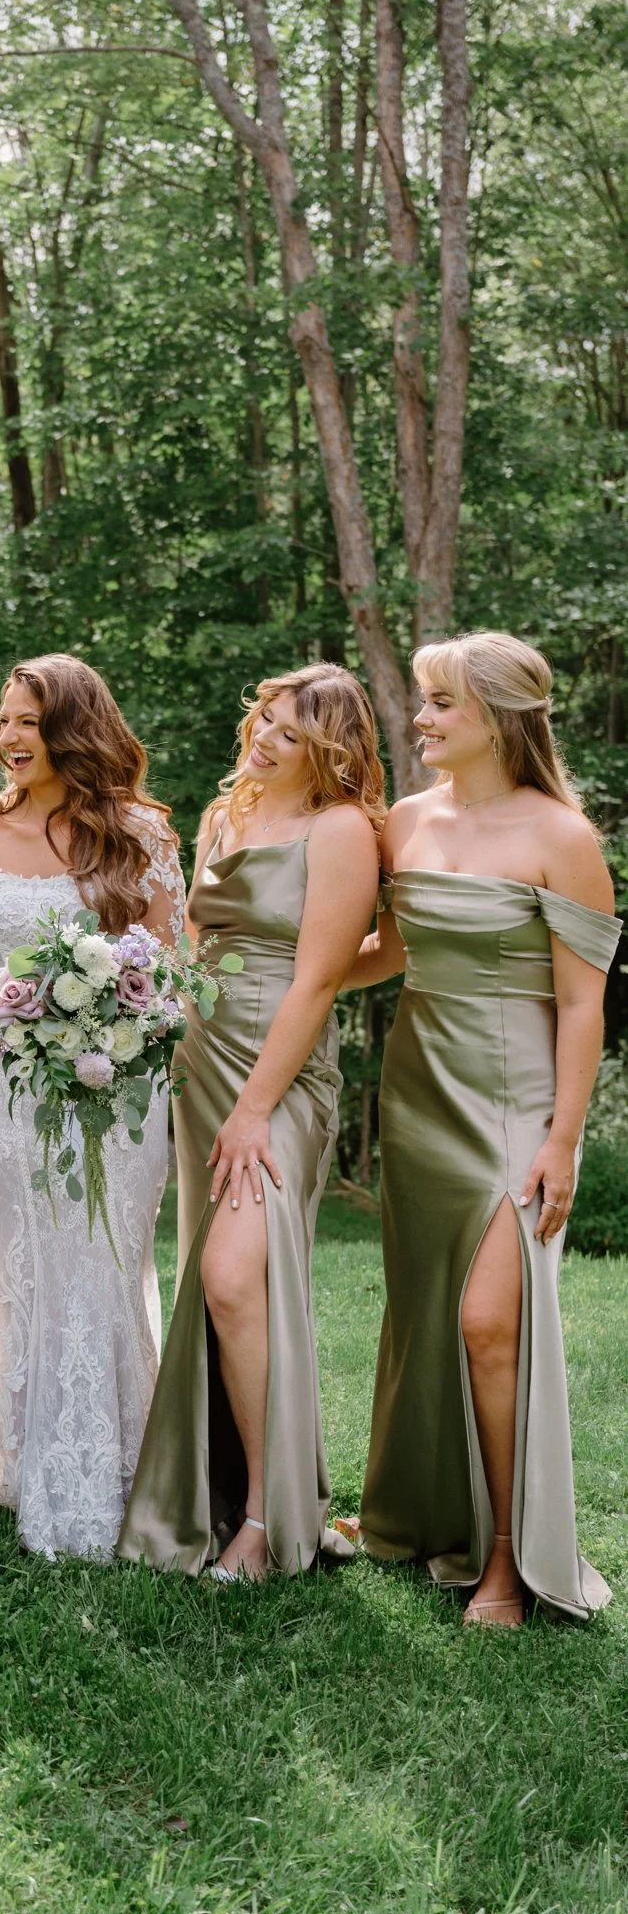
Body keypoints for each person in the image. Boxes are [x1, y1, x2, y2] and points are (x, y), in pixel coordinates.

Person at [347, 632, 619, 1625]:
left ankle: (506, 1560)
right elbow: (386, 948)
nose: (418, 719)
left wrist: (559, 1139)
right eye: (421, 701)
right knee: (427, 1316)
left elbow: (582, 1005)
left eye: (436, 704)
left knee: (486, 1322)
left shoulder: (560, 835)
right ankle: (423, 1515)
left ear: (497, 715)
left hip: (515, 1102)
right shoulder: (403, 822)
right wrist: (292, 982)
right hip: (419, 1093)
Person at [118, 663, 382, 1581]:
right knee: (224, 1279)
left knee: (233, 1277)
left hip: (280, 1074)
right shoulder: (224, 816)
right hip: (200, 1064)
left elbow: (318, 978)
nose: (261, 739)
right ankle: (238, 1497)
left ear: (328, 746)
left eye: (286, 731)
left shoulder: (341, 831)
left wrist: (258, 1107)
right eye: (261, 721)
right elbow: (193, 942)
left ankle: (271, 1524)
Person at [0, 655, 187, 1560]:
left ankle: (118, 1469)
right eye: (4, 720)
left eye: (31, 723)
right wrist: (10, 1017)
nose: (11, 738)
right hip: (7, 1085)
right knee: (20, 1261)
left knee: (102, 1260)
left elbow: (172, 962)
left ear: (73, 731)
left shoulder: (137, 832)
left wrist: (114, 1016)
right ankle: (19, 1460)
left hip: (121, 1092)